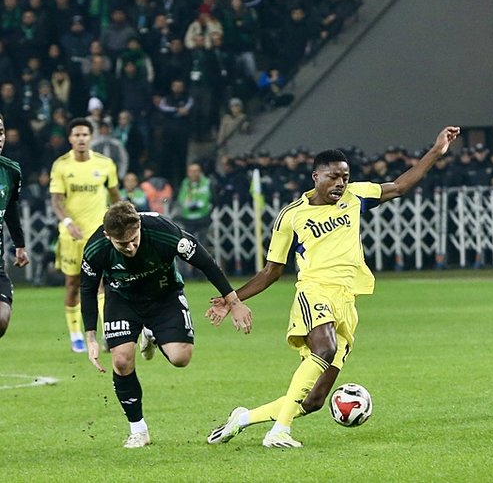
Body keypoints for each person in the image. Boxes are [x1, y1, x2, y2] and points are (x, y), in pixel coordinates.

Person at [206, 125, 460, 448]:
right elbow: (271, 272)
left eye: (345, 177)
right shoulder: (291, 216)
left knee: (313, 400)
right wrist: (232, 298)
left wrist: (436, 151)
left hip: (347, 300)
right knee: (323, 349)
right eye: (334, 177)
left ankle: (241, 419)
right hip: (314, 291)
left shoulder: (355, 196)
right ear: (316, 177)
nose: (341, 183)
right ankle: (279, 432)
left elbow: (399, 186)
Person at [80, 201, 252, 449]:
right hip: (122, 300)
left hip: (165, 296)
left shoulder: (163, 231)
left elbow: (205, 262)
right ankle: (138, 430)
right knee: (121, 360)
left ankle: (151, 332)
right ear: (108, 236)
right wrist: (91, 338)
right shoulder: (96, 248)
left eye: (134, 240)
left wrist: (234, 302)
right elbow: (87, 289)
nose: (130, 247)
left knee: (181, 358)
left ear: (139, 226)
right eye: (122, 244)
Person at [50, 118, 120, 353]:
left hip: (98, 234)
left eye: (84, 135)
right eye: (76, 135)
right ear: (70, 138)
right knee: (73, 284)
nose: (80, 139)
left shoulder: (105, 164)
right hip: (71, 235)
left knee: (101, 283)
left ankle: (107, 334)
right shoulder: (61, 165)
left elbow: (115, 196)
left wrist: (120, 220)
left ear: (91, 137)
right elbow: (57, 201)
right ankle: (75, 335)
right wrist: (67, 222)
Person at [0, 114, 29, 338]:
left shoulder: (11, 170)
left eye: (0, 132)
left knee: (2, 318)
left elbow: (10, 207)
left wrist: (20, 245)